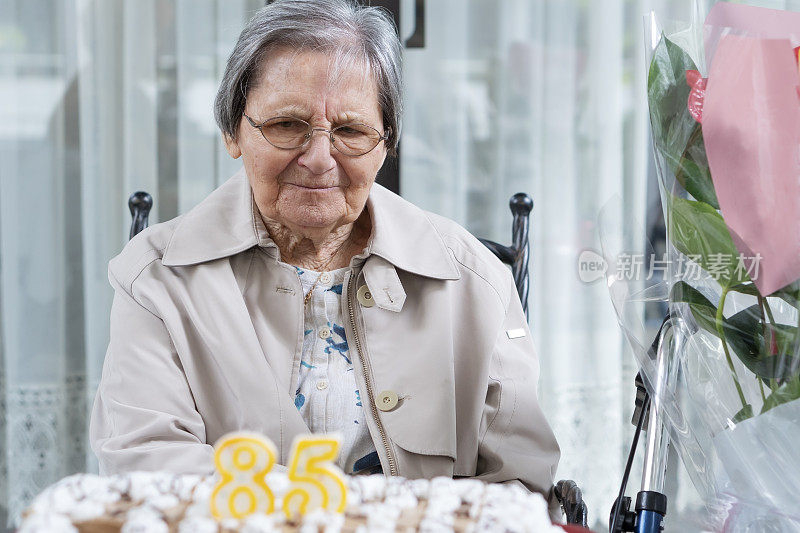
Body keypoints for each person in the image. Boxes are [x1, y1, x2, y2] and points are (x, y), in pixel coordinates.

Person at [89, 0, 560, 511]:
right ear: (232, 132)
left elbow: (519, 486)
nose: (318, 159)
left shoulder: (474, 282)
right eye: (288, 125)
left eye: (351, 131)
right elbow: (147, 465)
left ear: (387, 144)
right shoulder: (156, 279)